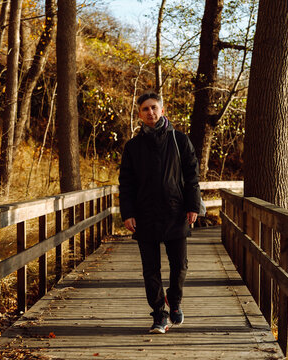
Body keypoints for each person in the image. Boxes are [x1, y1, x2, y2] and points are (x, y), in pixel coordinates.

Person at [119, 90, 201, 334]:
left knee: (180, 265)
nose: (150, 112)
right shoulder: (133, 147)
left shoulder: (179, 139)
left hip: (176, 213)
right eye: (145, 109)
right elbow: (126, 183)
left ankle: (174, 302)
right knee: (150, 269)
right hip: (145, 215)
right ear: (140, 114)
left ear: (162, 110)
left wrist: (192, 206)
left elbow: (192, 176)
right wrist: (128, 212)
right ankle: (159, 314)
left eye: (154, 107)